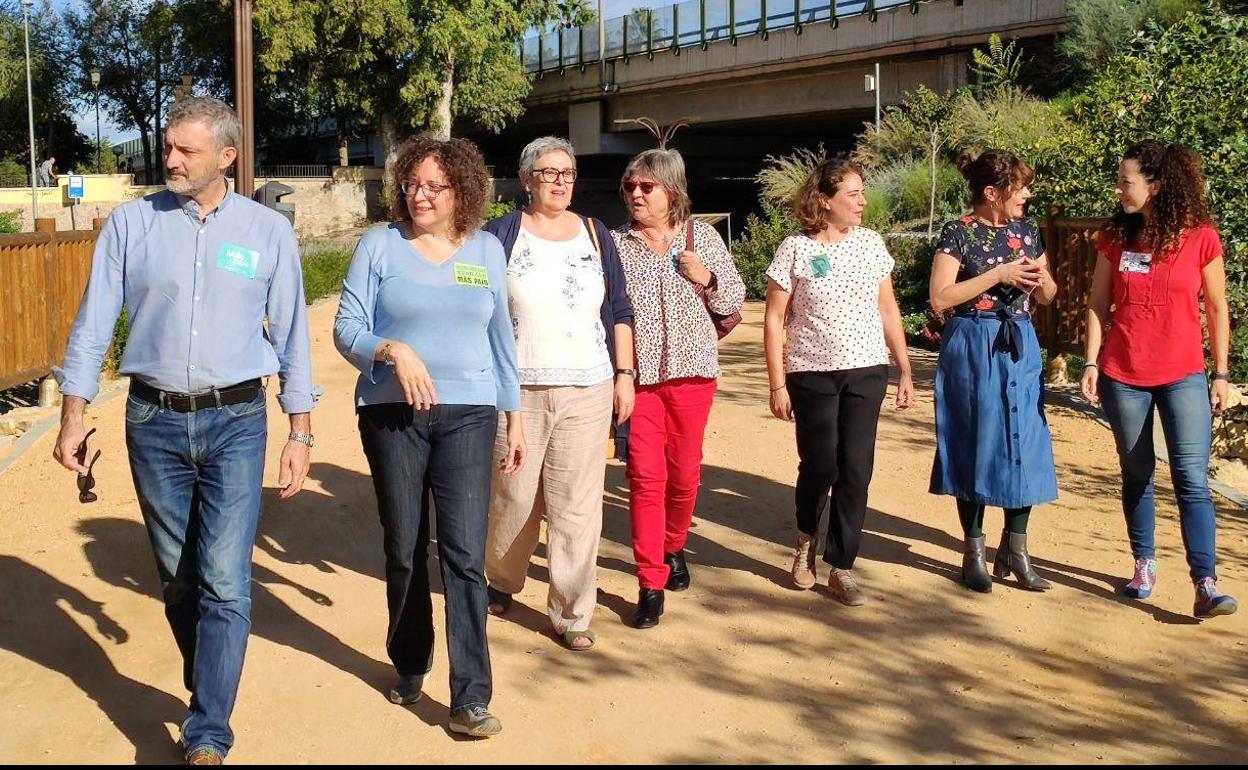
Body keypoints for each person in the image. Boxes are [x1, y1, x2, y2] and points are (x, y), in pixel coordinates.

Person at [52, 97, 316, 766]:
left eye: (186, 150)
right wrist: (74, 412)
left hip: (237, 421)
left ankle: (208, 732)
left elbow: (292, 335)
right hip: (153, 422)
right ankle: (212, 683)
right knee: (179, 580)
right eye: (169, 147)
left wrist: (301, 430)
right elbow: (92, 322)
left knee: (225, 581)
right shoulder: (131, 225)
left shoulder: (266, 232)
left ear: (226, 156)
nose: (169, 159)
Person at [333, 136, 524, 737]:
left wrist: (514, 412)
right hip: (394, 414)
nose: (420, 195)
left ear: (461, 190)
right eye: (412, 184)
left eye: (434, 185)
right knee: (406, 544)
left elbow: (501, 338)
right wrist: (389, 349)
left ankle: (470, 696)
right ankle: (410, 661)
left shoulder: (488, 249)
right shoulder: (380, 245)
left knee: (465, 554)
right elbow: (347, 327)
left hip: (469, 412)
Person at [481, 136, 635, 650]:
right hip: (517, 389)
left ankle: (572, 611)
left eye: (567, 172)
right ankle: (501, 580)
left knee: (578, 505)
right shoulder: (500, 235)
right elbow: (474, 307)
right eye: (549, 172)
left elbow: (618, 308)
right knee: (513, 496)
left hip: (588, 386)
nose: (560, 181)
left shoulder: (595, 234)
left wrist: (625, 374)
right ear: (527, 180)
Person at [1080, 141, 1238, 619]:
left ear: (1157, 185)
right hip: (1123, 374)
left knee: (1191, 477)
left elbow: (1216, 307)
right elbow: (1096, 301)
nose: (1118, 188)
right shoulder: (1115, 236)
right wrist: (1090, 362)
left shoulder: (1201, 237)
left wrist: (1222, 372)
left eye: (1126, 181)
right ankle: (1144, 563)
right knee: (1138, 473)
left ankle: (1205, 583)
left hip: (1184, 374)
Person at [764, 159, 915, 606]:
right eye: (853, 194)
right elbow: (775, 319)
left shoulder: (872, 245)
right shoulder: (795, 248)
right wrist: (777, 384)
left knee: (856, 466)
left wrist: (904, 367)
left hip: (867, 368)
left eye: (862, 192)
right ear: (825, 201)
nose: (863, 201)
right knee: (820, 464)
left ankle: (842, 564)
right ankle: (806, 540)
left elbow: (888, 310)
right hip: (810, 370)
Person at [610, 148, 745, 629]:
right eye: (630, 187)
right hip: (638, 380)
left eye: (647, 187)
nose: (637, 195)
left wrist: (705, 277)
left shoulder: (701, 237)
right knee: (645, 478)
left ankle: (672, 546)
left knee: (684, 476)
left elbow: (734, 298)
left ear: (672, 191)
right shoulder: (614, 244)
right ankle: (650, 581)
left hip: (693, 376)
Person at [928, 149, 1059, 594]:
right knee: (975, 440)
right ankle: (975, 552)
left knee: (1026, 439)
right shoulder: (958, 233)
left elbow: (1047, 296)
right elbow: (941, 298)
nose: (1027, 193)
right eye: (1019, 186)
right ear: (992, 192)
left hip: (1019, 342)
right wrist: (998, 274)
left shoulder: (1026, 231)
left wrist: (1039, 279)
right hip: (972, 341)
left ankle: (1016, 550)